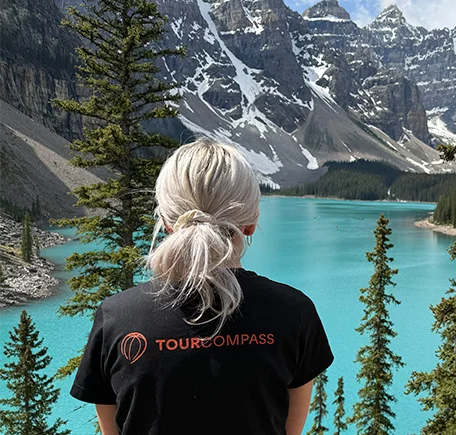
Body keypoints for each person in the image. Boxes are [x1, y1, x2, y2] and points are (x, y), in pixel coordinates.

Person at [70, 138, 333, 435]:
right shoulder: (294, 312)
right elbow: (288, 430)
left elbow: (113, 430)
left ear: (168, 223)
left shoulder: (116, 317)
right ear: (251, 222)